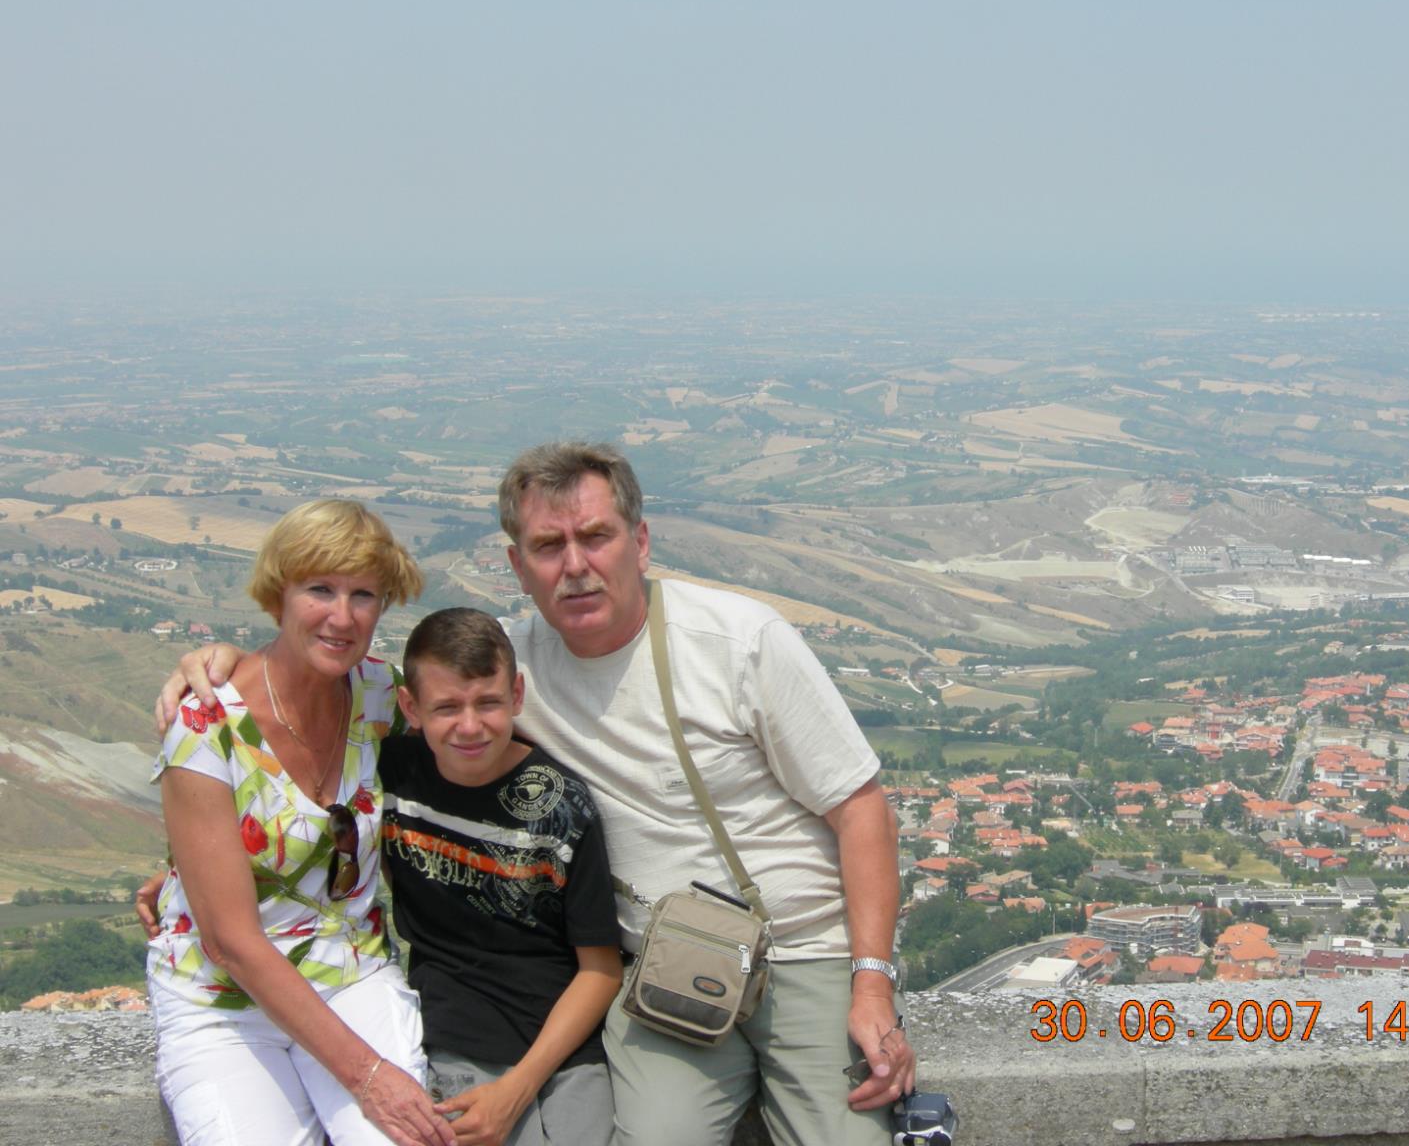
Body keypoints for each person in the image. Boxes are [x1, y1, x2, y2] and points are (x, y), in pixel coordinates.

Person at [158, 441, 915, 1146]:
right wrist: (197, 849)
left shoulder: (740, 641)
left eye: (596, 537)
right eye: (550, 547)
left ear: (640, 542)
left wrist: (872, 985)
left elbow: (862, 810)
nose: (576, 566)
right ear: (518, 567)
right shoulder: (503, 667)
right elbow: (336, 699)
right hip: (660, 968)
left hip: (800, 951)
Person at [145, 500, 455, 1146]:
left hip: (350, 972)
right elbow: (232, 942)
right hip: (223, 1000)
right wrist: (370, 1077)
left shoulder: (380, 694)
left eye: (363, 595)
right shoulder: (205, 724)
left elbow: (482, 728)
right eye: (320, 589)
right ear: (278, 594)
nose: (342, 616)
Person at [385, 606, 623, 1146]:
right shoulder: (392, 774)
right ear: (411, 707)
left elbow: (600, 971)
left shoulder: (560, 806)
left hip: (563, 1046)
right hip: (456, 1036)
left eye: (488, 703)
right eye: (447, 707)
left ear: (516, 695)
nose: (470, 726)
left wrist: (519, 1087)